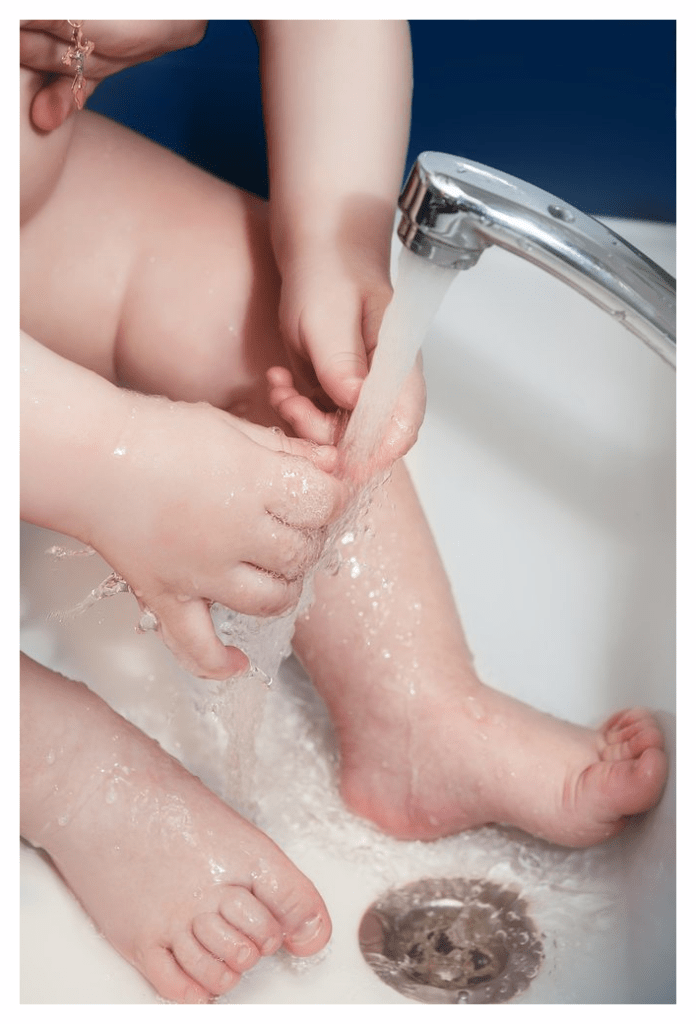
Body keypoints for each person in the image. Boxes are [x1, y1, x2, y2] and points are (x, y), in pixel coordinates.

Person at [20, 20, 668, 1005]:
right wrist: (119, 462)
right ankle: (67, 771)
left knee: (236, 291)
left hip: (35, 213)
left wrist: (329, 236)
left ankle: (418, 709)